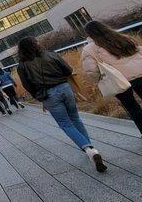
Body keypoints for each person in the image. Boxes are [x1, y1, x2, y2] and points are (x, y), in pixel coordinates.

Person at [17, 36, 107, 172]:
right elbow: (68, 70)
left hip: (48, 95)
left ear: (21, 50)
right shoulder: (51, 55)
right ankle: (90, 148)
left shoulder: (22, 66)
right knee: (75, 118)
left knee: (65, 123)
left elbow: (28, 86)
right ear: (36, 44)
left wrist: (41, 98)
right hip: (65, 88)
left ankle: (89, 149)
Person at [81, 21, 142, 134]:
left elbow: (91, 71)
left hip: (118, 80)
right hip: (140, 72)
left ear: (88, 34)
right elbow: (138, 51)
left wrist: (99, 79)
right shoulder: (122, 37)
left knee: (133, 108)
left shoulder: (89, 49)